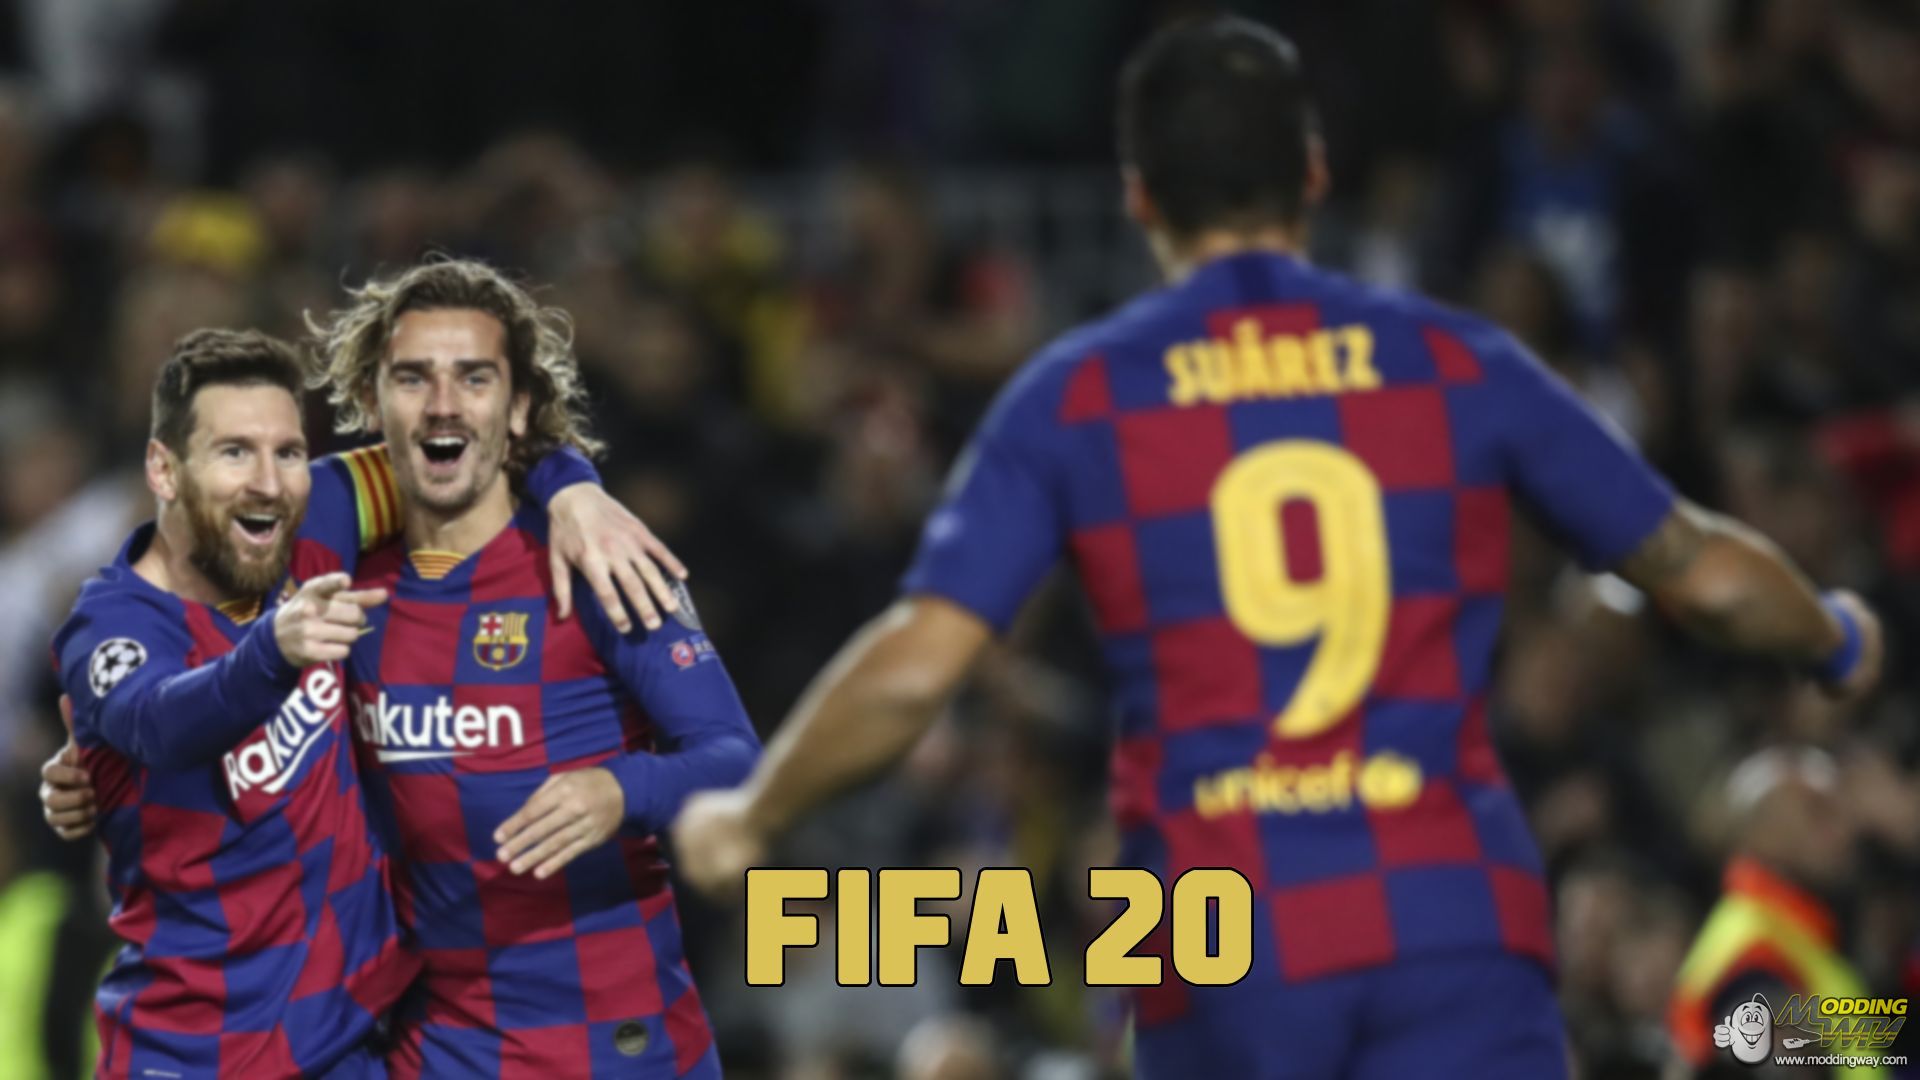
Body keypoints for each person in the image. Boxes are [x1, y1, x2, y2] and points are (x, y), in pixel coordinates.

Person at [672, 16, 1883, 1079]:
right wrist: (1832, 635)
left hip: (1227, 939)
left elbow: (915, 669)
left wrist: (755, 818)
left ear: (1141, 196)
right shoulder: (1453, 363)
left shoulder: (1080, 399)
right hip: (1446, 915)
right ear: (1310, 173)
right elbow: (1703, 575)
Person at [47, 326, 677, 1078]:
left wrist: (575, 490)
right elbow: (158, 721)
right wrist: (272, 652)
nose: (268, 482)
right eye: (233, 453)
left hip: (355, 1041)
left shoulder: (313, 527)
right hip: (198, 1054)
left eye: (287, 452)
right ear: (164, 468)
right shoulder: (113, 625)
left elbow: (471, 448)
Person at [309, 258, 760, 1076]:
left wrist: (621, 789)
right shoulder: (340, 588)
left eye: (474, 377)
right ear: (374, 403)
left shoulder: (599, 562)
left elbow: (739, 763)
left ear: (518, 407)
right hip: (441, 1052)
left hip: (623, 1049)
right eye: (412, 378)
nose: (443, 403)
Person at [1669, 749, 1884, 1077]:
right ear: (1760, 833)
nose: (1845, 830)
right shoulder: (1756, 949)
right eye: (1818, 813)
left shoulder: (1796, 931)